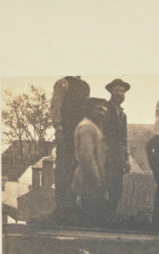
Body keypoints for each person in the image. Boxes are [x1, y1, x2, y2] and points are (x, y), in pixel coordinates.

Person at [50, 75, 91, 219]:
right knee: (63, 168)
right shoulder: (63, 83)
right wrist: (59, 129)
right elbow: (56, 106)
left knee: (76, 168)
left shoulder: (85, 86)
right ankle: (62, 206)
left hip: (78, 135)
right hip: (65, 134)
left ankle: (71, 203)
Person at [71, 98, 111, 226]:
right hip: (89, 180)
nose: (102, 113)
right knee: (92, 220)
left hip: (93, 180)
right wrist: (98, 181)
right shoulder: (87, 127)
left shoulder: (93, 127)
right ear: (89, 109)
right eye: (99, 109)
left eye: (104, 110)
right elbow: (87, 156)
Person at [101, 78, 130, 217]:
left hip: (118, 158)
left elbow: (124, 139)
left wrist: (126, 159)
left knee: (116, 189)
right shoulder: (104, 110)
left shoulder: (123, 115)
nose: (120, 93)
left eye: (122, 91)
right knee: (103, 187)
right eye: (117, 90)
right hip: (106, 156)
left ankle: (110, 218)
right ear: (111, 91)